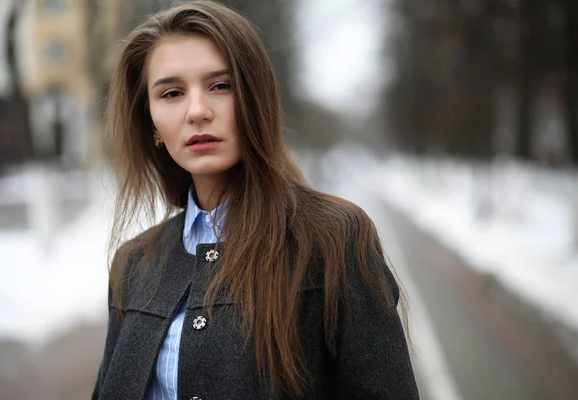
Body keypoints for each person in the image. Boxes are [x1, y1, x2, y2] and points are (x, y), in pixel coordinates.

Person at [92, 1, 419, 399]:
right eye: (172, 93)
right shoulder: (134, 263)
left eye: (220, 86)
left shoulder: (335, 241)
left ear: (255, 98)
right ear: (151, 122)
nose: (197, 111)